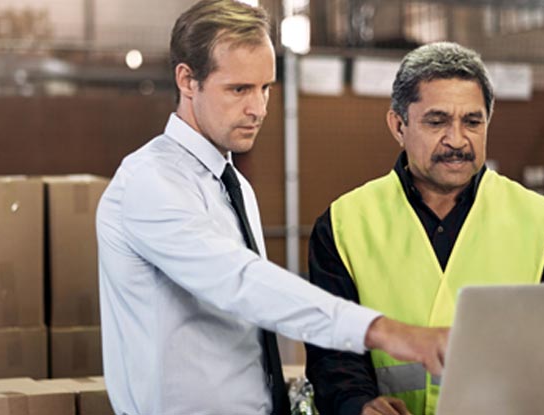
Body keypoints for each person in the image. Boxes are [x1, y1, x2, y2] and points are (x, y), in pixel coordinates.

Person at [96, 2, 452, 414]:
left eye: (265, 87)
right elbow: (240, 283)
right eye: (239, 89)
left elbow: (248, 327)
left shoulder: (234, 187)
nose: (259, 108)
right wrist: (384, 331)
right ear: (187, 80)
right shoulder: (149, 181)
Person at [304, 42, 544, 415]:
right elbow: (332, 354)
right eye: (437, 121)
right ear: (398, 126)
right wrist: (358, 405)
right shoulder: (344, 224)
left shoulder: (541, 221)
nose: (456, 140)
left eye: (472, 121)